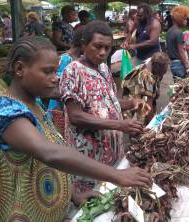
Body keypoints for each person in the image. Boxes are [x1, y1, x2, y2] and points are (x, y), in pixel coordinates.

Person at [0, 36, 151, 222]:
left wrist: (72, 195)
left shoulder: (36, 105)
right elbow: (49, 153)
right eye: (47, 72)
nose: (55, 79)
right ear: (20, 69)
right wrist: (117, 175)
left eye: (55, 71)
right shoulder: (6, 112)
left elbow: (40, 164)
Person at [60, 21, 151, 193]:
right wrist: (119, 124)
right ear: (83, 45)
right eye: (97, 46)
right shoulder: (73, 71)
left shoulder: (103, 68)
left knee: (112, 197)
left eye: (107, 48)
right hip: (88, 157)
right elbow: (75, 116)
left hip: (112, 153)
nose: (102, 52)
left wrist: (132, 103)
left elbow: (109, 104)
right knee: (93, 203)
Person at [122, 52, 169, 124]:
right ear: (158, 69)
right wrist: (153, 125)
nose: (164, 73)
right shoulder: (147, 78)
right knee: (139, 127)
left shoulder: (150, 62)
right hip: (133, 104)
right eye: (163, 72)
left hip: (135, 99)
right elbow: (148, 104)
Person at [166, 6, 189, 79]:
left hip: (173, 63)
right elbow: (181, 51)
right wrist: (187, 65)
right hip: (179, 63)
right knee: (183, 87)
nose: (186, 21)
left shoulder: (169, 31)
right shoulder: (178, 32)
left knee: (177, 86)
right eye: (185, 19)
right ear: (180, 19)